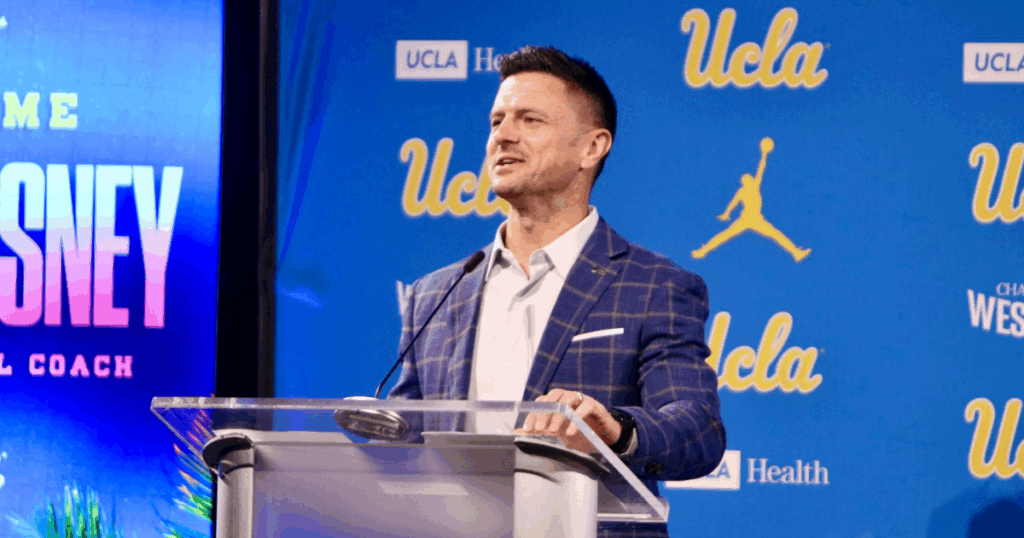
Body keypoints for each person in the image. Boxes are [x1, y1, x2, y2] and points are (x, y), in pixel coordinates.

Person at [389, 45, 725, 538]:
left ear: (592, 147)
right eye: (497, 120)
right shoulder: (435, 294)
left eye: (530, 120)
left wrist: (615, 429)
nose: (503, 135)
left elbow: (697, 430)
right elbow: (402, 442)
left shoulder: (654, 285)